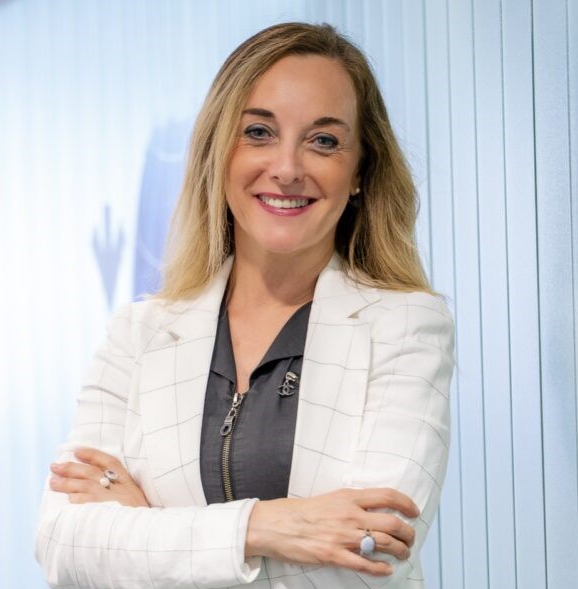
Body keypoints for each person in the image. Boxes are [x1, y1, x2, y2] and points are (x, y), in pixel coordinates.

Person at [35, 21, 455, 589]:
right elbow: (65, 544)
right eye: (258, 132)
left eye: (323, 141)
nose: (287, 168)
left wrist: (147, 525)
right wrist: (266, 526)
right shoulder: (139, 335)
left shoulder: (406, 327)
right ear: (218, 152)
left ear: (360, 171)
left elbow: (369, 556)